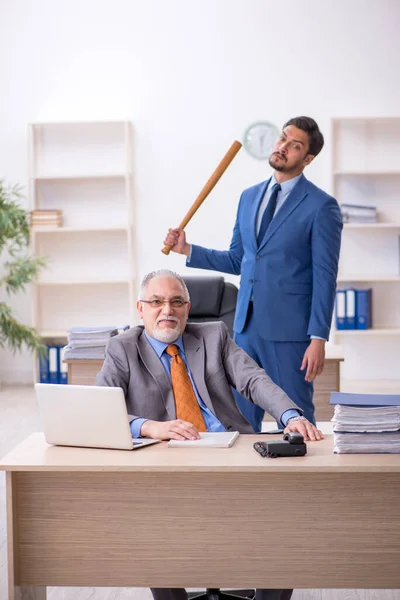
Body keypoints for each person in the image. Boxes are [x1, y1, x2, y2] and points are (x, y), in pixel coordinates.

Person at [96, 269, 323, 600]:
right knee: (151, 522)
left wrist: (289, 415)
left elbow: (254, 379)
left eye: (176, 302)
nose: (167, 310)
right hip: (164, 465)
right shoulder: (122, 348)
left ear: (188, 308)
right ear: (140, 308)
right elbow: (103, 407)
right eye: (156, 302)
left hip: (231, 453)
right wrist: (150, 427)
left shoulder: (214, 335)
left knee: (282, 519)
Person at [164, 116, 342, 432]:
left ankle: (300, 480)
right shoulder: (250, 197)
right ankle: (245, 482)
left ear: (308, 158)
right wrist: (187, 249)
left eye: (295, 145)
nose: (284, 147)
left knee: (296, 418)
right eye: (283, 139)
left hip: (291, 332)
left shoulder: (320, 206)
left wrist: (318, 337)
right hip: (245, 329)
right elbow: (239, 260)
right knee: (239, 419)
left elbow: (325, 275)